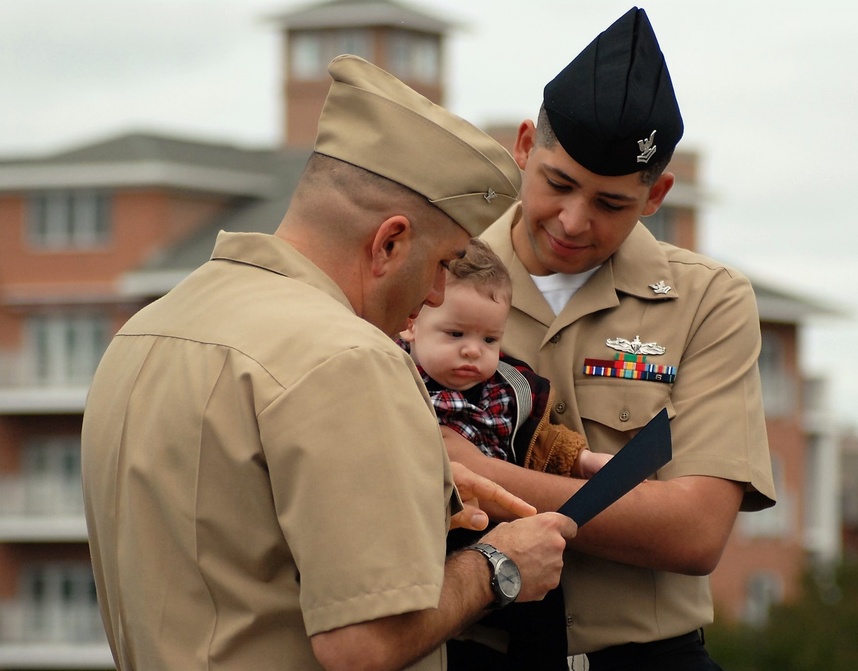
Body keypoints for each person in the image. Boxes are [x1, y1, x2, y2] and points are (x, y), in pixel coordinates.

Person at [80, 55, 577, 671]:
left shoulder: (146, 329)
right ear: (389, 242)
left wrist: (425, 489)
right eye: (445, 264)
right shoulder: (351, 358)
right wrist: (498, 566)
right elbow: (362, 645)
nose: (436, 296)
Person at [445, 8, 778, 670]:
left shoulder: (709, 301)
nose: (573, 220)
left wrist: (476, 471)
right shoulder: (435, 276)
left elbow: (694, 531)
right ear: (522, 147)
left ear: (656, 194)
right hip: (472, 649)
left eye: (611, 203)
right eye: (558, 184)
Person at [398, 238, 611, 669]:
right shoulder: (393, 379)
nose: (473, 350)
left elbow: (541, 440)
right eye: (455, 334)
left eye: (490, 338)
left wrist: (586, 460)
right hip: (424, 528)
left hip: (496, 523)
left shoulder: (508, 390)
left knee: (544, 599)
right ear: (411, 325)